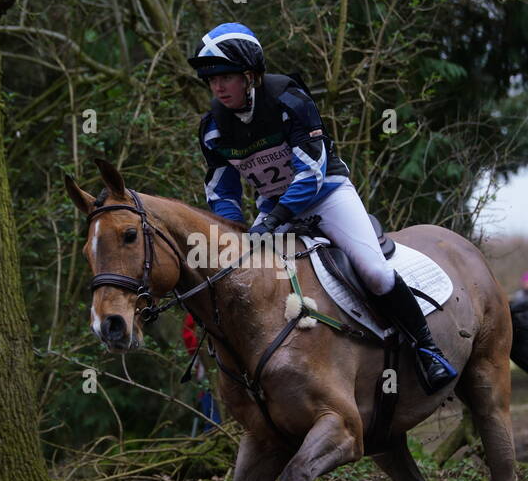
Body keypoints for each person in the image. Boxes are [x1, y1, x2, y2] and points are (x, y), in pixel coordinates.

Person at [189, 22, 457, 394]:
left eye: (227, 77)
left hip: (327, 196)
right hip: (273, 209)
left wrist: (274, 220)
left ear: (250, 76)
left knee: (374, 272)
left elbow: (311, 171)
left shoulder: (289, 101)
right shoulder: (213, 130)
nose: (217, 88)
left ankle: (428, 350)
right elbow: (223, 193)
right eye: (211, 80)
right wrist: (235, 236)